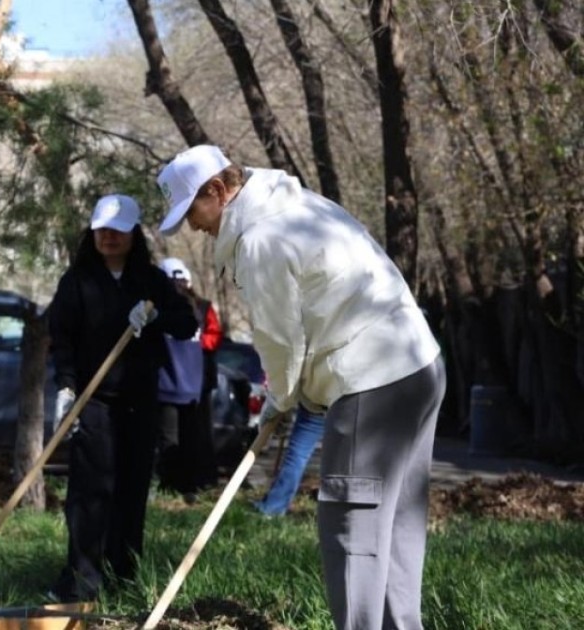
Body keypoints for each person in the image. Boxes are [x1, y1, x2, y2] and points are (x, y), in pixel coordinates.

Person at [157, 145, 444, 630]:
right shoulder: (299, 205)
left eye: (193, 211)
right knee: (395, 528)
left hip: (370, 377)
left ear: (217, 190)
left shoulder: (261, 239)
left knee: (352, 531)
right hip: (420, 366)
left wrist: (280, 398)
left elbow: (279, 339)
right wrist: (294, 393)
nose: (194, 226)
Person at [46, 194, 198, 602]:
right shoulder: (77, 281)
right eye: (101, 230)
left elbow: (187, 324)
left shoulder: (151, 282)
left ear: (134, 233)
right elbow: (60, 337)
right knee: (90, 490)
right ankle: (82, 579)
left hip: (138, 402)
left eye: (118, 230)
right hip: (92, 402)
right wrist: (65, 385)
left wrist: (155, 317)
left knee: (131, 489)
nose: (108, 237)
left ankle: (123, 575)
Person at [155, 257, 221, 497]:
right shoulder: (155, 307)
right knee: (173, 437)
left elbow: (213, 336)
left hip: (192, 385)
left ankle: (188, 483)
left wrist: (197, 343)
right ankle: (177, 485)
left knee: (190, 437)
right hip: (176, 384)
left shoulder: (201, 307)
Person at [255, 406, 325, 516]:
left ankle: (274, 508)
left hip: (318, 405)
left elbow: (285, 390)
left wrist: (277, 406)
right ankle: (345, 511)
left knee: (298, 455)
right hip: (352, 402)